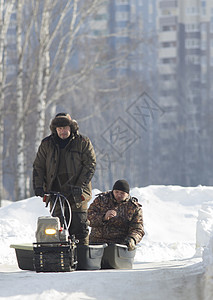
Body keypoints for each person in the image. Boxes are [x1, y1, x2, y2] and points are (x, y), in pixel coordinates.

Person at [33, 112, 96, 245]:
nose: (62, 131)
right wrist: (38, 186)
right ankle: (57, 259)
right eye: (59, 128)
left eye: (65, 127)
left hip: (78, 194)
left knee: (80, 227)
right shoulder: (47, 144)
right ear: (55, 129)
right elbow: (39, 166)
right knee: (56, 228)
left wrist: (80, 186)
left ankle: (82, 260)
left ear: (71, 127)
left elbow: (90, 165)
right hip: (56, 193)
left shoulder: (82, 142)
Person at [87, 179, 145, 250]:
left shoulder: (133, 207)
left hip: (119, 245)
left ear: (127, 194)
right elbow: (88, 218)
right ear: (113, 191)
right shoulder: (101, 200)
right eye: (116, 192)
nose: (119, 195)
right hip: (97, 243)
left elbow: (138, 228)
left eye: (122, 193)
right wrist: (103, 217)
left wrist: (132, 239)